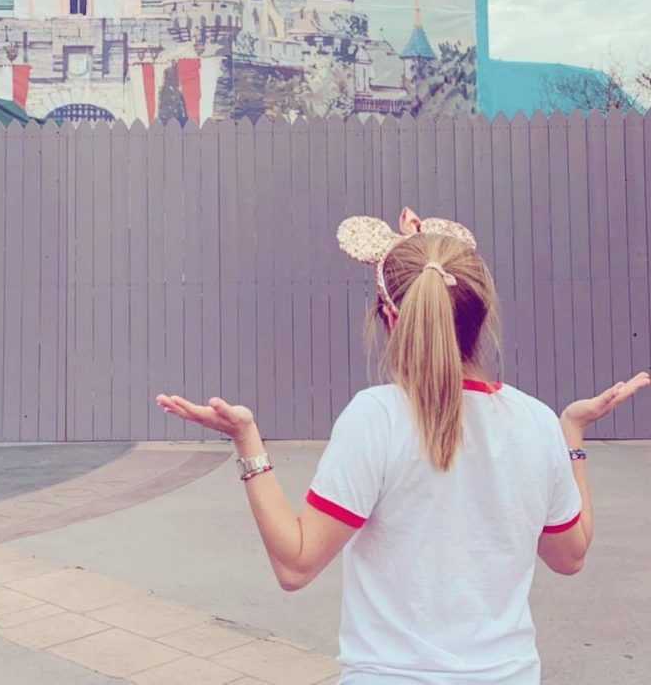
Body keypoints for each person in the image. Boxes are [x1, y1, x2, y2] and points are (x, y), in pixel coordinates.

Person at [156, 208, 650, 685]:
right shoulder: (537, 422)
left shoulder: (378, 418)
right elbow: (570, 557)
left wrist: (248, 442)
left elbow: (296, 563)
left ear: (390, 318)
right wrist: (571, 437)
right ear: (481, 315)